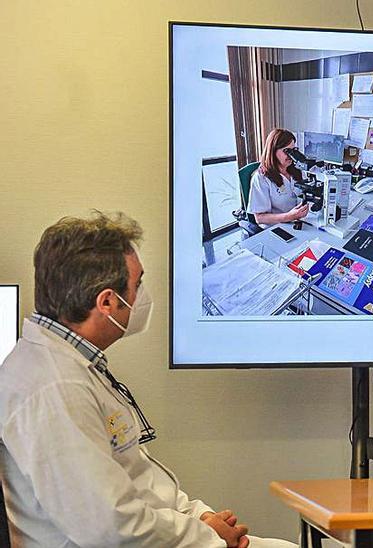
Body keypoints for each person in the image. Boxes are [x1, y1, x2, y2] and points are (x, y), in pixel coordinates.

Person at [0, 212, 295, 547]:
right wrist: (206, 537)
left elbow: (137, 479)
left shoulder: (72, 366)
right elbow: (109, 528)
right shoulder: (53, 387)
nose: (142, 296)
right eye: (137, 285)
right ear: (108, 301)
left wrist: (199, 518)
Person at [247, 128, 310, 226]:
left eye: (293, 150)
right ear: (273, 151)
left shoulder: (297, 171)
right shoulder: (261, 178)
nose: (291, 156)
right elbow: (259, 218)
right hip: (275, 227)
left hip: (299, 222)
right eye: (286, 151)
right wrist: (289, 216)